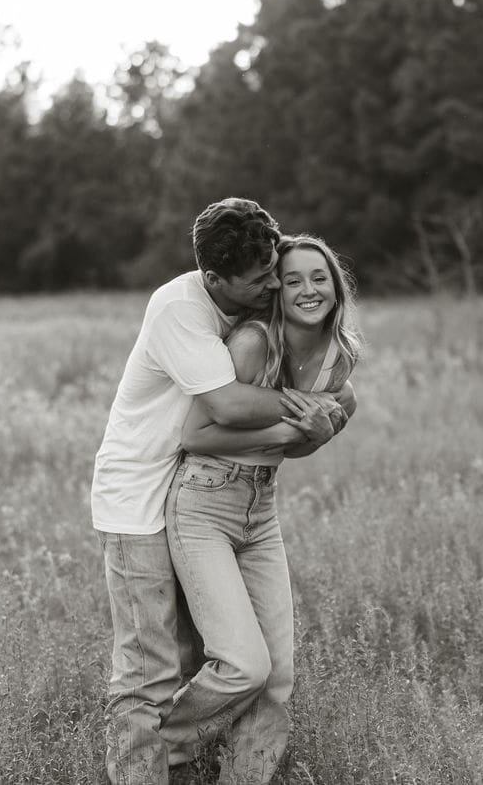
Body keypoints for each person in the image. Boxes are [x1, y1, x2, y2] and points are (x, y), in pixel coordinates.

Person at [92, 200, 353, 785]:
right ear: (214, 278)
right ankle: (143, 766)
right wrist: (320, 411)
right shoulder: (181, 311)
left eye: (272, 272)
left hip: (220, 497)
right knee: (150, 670)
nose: (270, 286)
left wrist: (328, 407)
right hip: (139, 500)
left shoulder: (247, 313)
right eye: (261, 278)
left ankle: (199, 769)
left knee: (219, 663)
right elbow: (225, 408)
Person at [159, 233, 363, 784]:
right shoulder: (252, 341)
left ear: (336, 285)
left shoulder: (339, 357)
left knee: (277, 678)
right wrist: (293, 425)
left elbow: (295, 449)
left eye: (319, 278)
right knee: (243, 665)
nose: (307, 290)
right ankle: (159, 750)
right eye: (292, 279)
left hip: (261, 506)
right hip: (204, 502)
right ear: (277, 289)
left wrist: (317, 434)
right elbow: (197, 434)